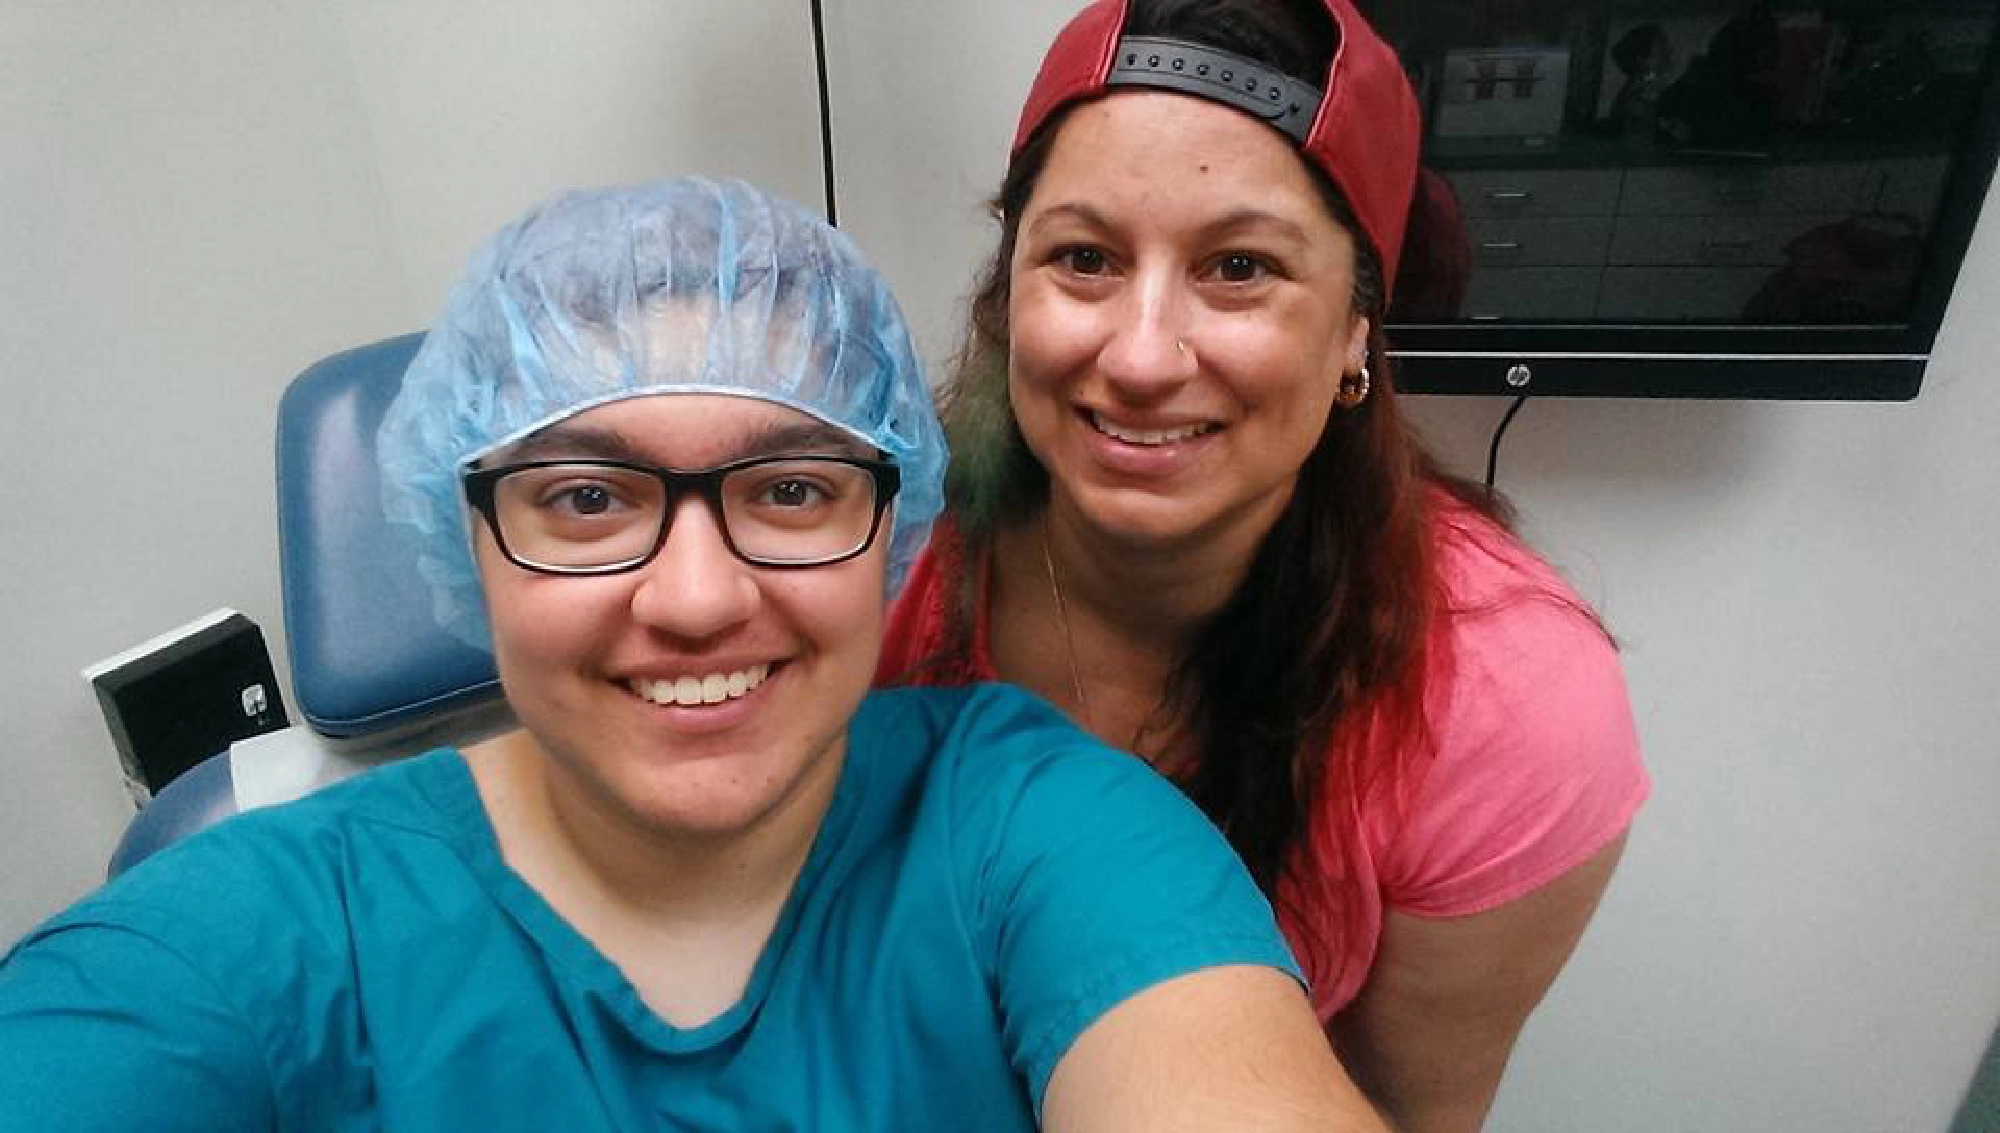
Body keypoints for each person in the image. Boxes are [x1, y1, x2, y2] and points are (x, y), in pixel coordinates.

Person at [0, 178, 1388, 1131]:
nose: (698, 597)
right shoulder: (266, 924)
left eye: (790, 488)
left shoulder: (1028, 823)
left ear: (891, 523)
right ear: (461, 533)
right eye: (588, 499)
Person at [874, 3, 1650, 1130]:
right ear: (1008, 292)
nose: (1139, 355)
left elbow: (1404, 1108)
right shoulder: (872, 560)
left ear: (1353, 335)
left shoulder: (1501, 700)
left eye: (1237, 267)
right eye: (1082, 258)